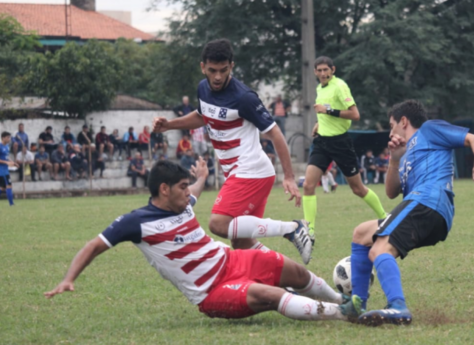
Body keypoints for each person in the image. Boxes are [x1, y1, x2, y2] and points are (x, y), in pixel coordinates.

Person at [44, 159, 351, 323]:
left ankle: (343, 301)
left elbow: (195, 192)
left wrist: (201, 176)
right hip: (212, 291)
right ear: (164, 189)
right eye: (181, 187)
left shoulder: (182, 201)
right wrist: (68, 278)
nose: (187, 192)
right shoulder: (136, 222)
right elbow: (94, 245)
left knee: (294, 271)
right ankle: (345, 316)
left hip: (233, 260)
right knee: (268, 294)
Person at [152, 38, 311, 263]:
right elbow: (201, 116)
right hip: (239, 172)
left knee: (218, 223)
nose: (218, 76)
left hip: (251, 170)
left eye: (223, 70)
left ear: (232, 67)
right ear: (203, 67)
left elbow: (275, 133)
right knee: (242, 244)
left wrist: (289, 176)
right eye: (212, 70)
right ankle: (295, 286)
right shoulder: (202, 89)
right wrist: (169, 125)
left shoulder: (244, 98)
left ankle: (293, 228)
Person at [341, 100, 474, 326]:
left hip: (427, 201)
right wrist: (395, 158)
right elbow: (391, 193)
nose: (390, 132)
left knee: (380, 248)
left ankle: (397, 306)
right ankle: (357, 303)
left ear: (403, 121)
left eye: (392, 125)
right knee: (362, 233)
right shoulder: (405, 152)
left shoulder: (430, 130)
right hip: (424, 208)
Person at [303, 56, 387, 241]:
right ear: (315, 72)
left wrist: (328, 112)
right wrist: (319, 123)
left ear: (333, 70)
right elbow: (325, 110)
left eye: (326, 70)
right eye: (320, 70)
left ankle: (384, 217)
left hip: (341, 143)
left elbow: (355, 114)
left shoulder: (340, 86)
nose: (323, 73)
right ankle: (309, 232)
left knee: (357, 189)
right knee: (308, 185)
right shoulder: (319, 88)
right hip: (322, 143)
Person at [0, 132, 18, 206]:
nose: (9, 139)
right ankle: (11, 204)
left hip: (5, 170)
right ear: (3, 138)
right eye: (7, 137)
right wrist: (6, 163)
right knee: (9, 185)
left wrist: (12, 162)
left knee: (2, 188)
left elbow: (7, 156)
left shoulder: (7, 146)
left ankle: (11, 203)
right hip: (1, 170)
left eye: (9, 137)